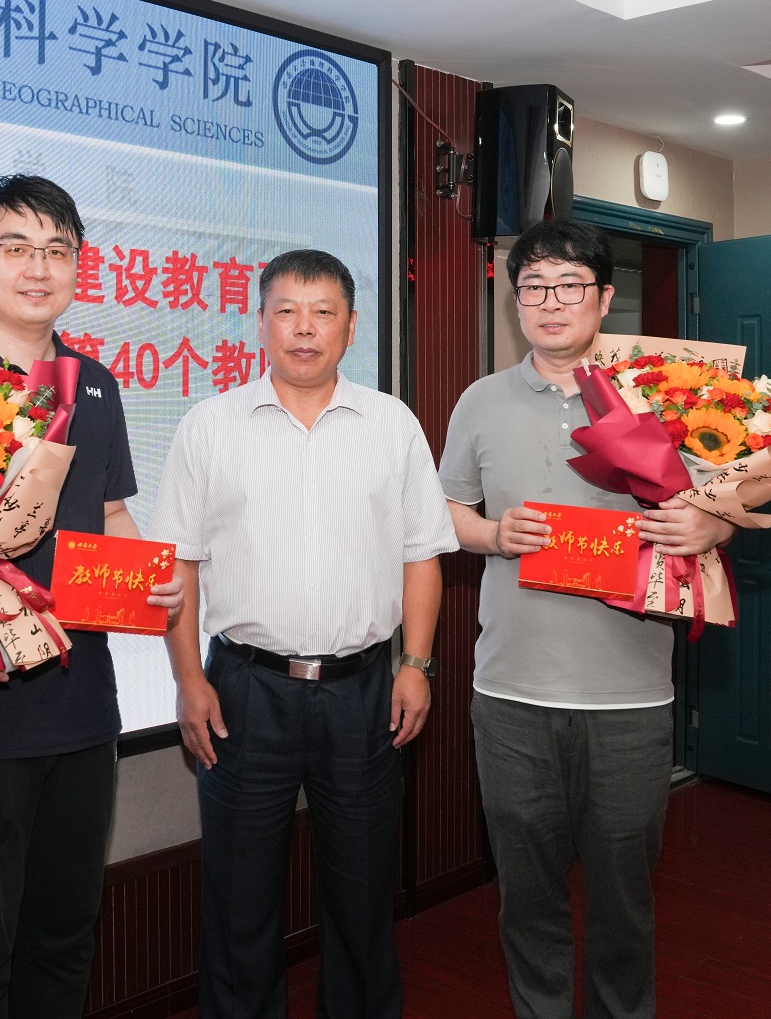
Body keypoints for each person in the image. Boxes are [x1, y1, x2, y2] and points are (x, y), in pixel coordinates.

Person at [437, 220, 734, 1019]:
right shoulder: (480, 401)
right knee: (526, 899)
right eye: (533, 286)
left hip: (629, 699)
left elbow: (727, 500)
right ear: (515, 302)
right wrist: (493, 534)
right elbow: (445, 513)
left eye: (569, 285)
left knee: (623, 903)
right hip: (511, 696)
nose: (550, 301)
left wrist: (712, 524)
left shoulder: (660, 396)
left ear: (604, 299)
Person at [153, 248, 457, 1019]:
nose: (304, 328)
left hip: (363, 691)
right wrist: (188, 681)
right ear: (260, 322)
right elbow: (177, 564)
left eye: (323, 313)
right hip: (244, 690)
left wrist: (416, 663)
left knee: (362, 895)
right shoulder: (210, 426)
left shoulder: (391, 424)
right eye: (286, 311)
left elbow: (422, 553)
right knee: (238, 899)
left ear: (351, 327)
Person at [0, 174, 183, 1019]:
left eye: (57, 250)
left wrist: (152, 578)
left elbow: (109, 513)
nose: (38, 268)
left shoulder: (94, 382)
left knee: (64, 942)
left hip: (81, 711)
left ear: (76, 266)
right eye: (16, 248)